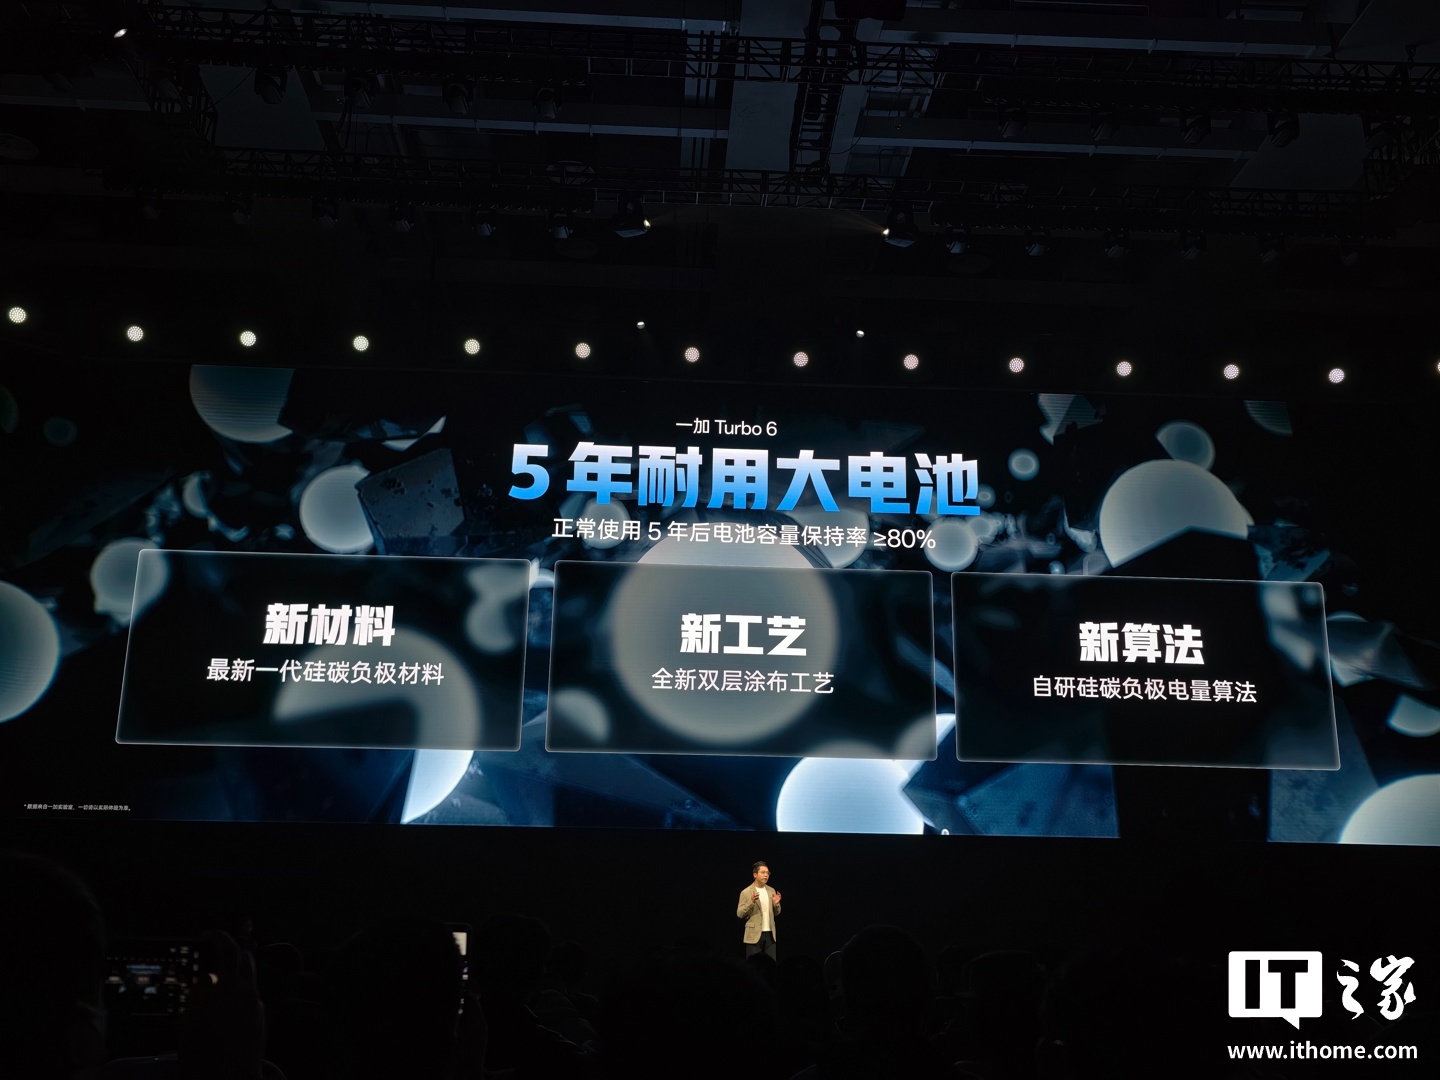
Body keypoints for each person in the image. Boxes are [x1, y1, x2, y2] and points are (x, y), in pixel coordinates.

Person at [737, 860, 781, 960]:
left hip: (770, 934)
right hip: (754, 934)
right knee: (753, 964)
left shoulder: (771, 890)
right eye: (763, 872)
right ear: (755, 875)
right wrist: (751, 902)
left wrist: (776, 904)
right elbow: (739, 913)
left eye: (768, 873)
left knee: (771, 963)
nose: (766, 875)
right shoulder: (746, 892)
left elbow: (777, 913)